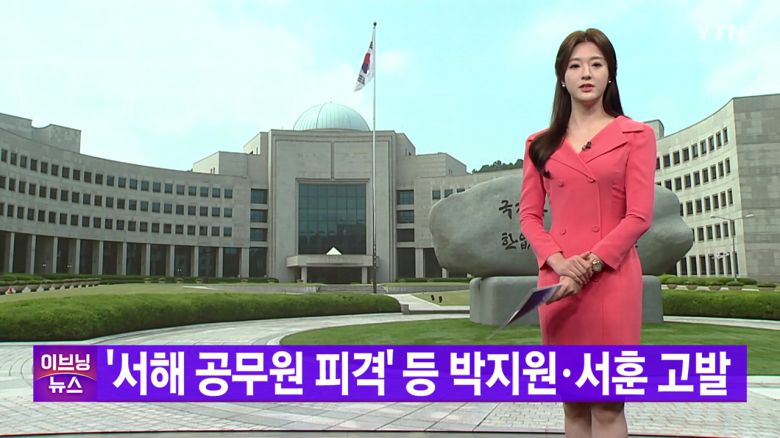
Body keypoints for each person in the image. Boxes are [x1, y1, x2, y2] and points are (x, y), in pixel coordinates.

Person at [518, 28, 656, 438]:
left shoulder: (637, 135)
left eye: (596, 64)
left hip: (612, 278)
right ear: (562, 77)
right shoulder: (539, 144)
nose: (586, 73)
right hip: (559, 283)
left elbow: (639, 216)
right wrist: (560, 262)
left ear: (610, 74)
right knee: (574, 404)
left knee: (608, 405)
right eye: (575, 65)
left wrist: (591, 263)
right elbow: (529, 216)